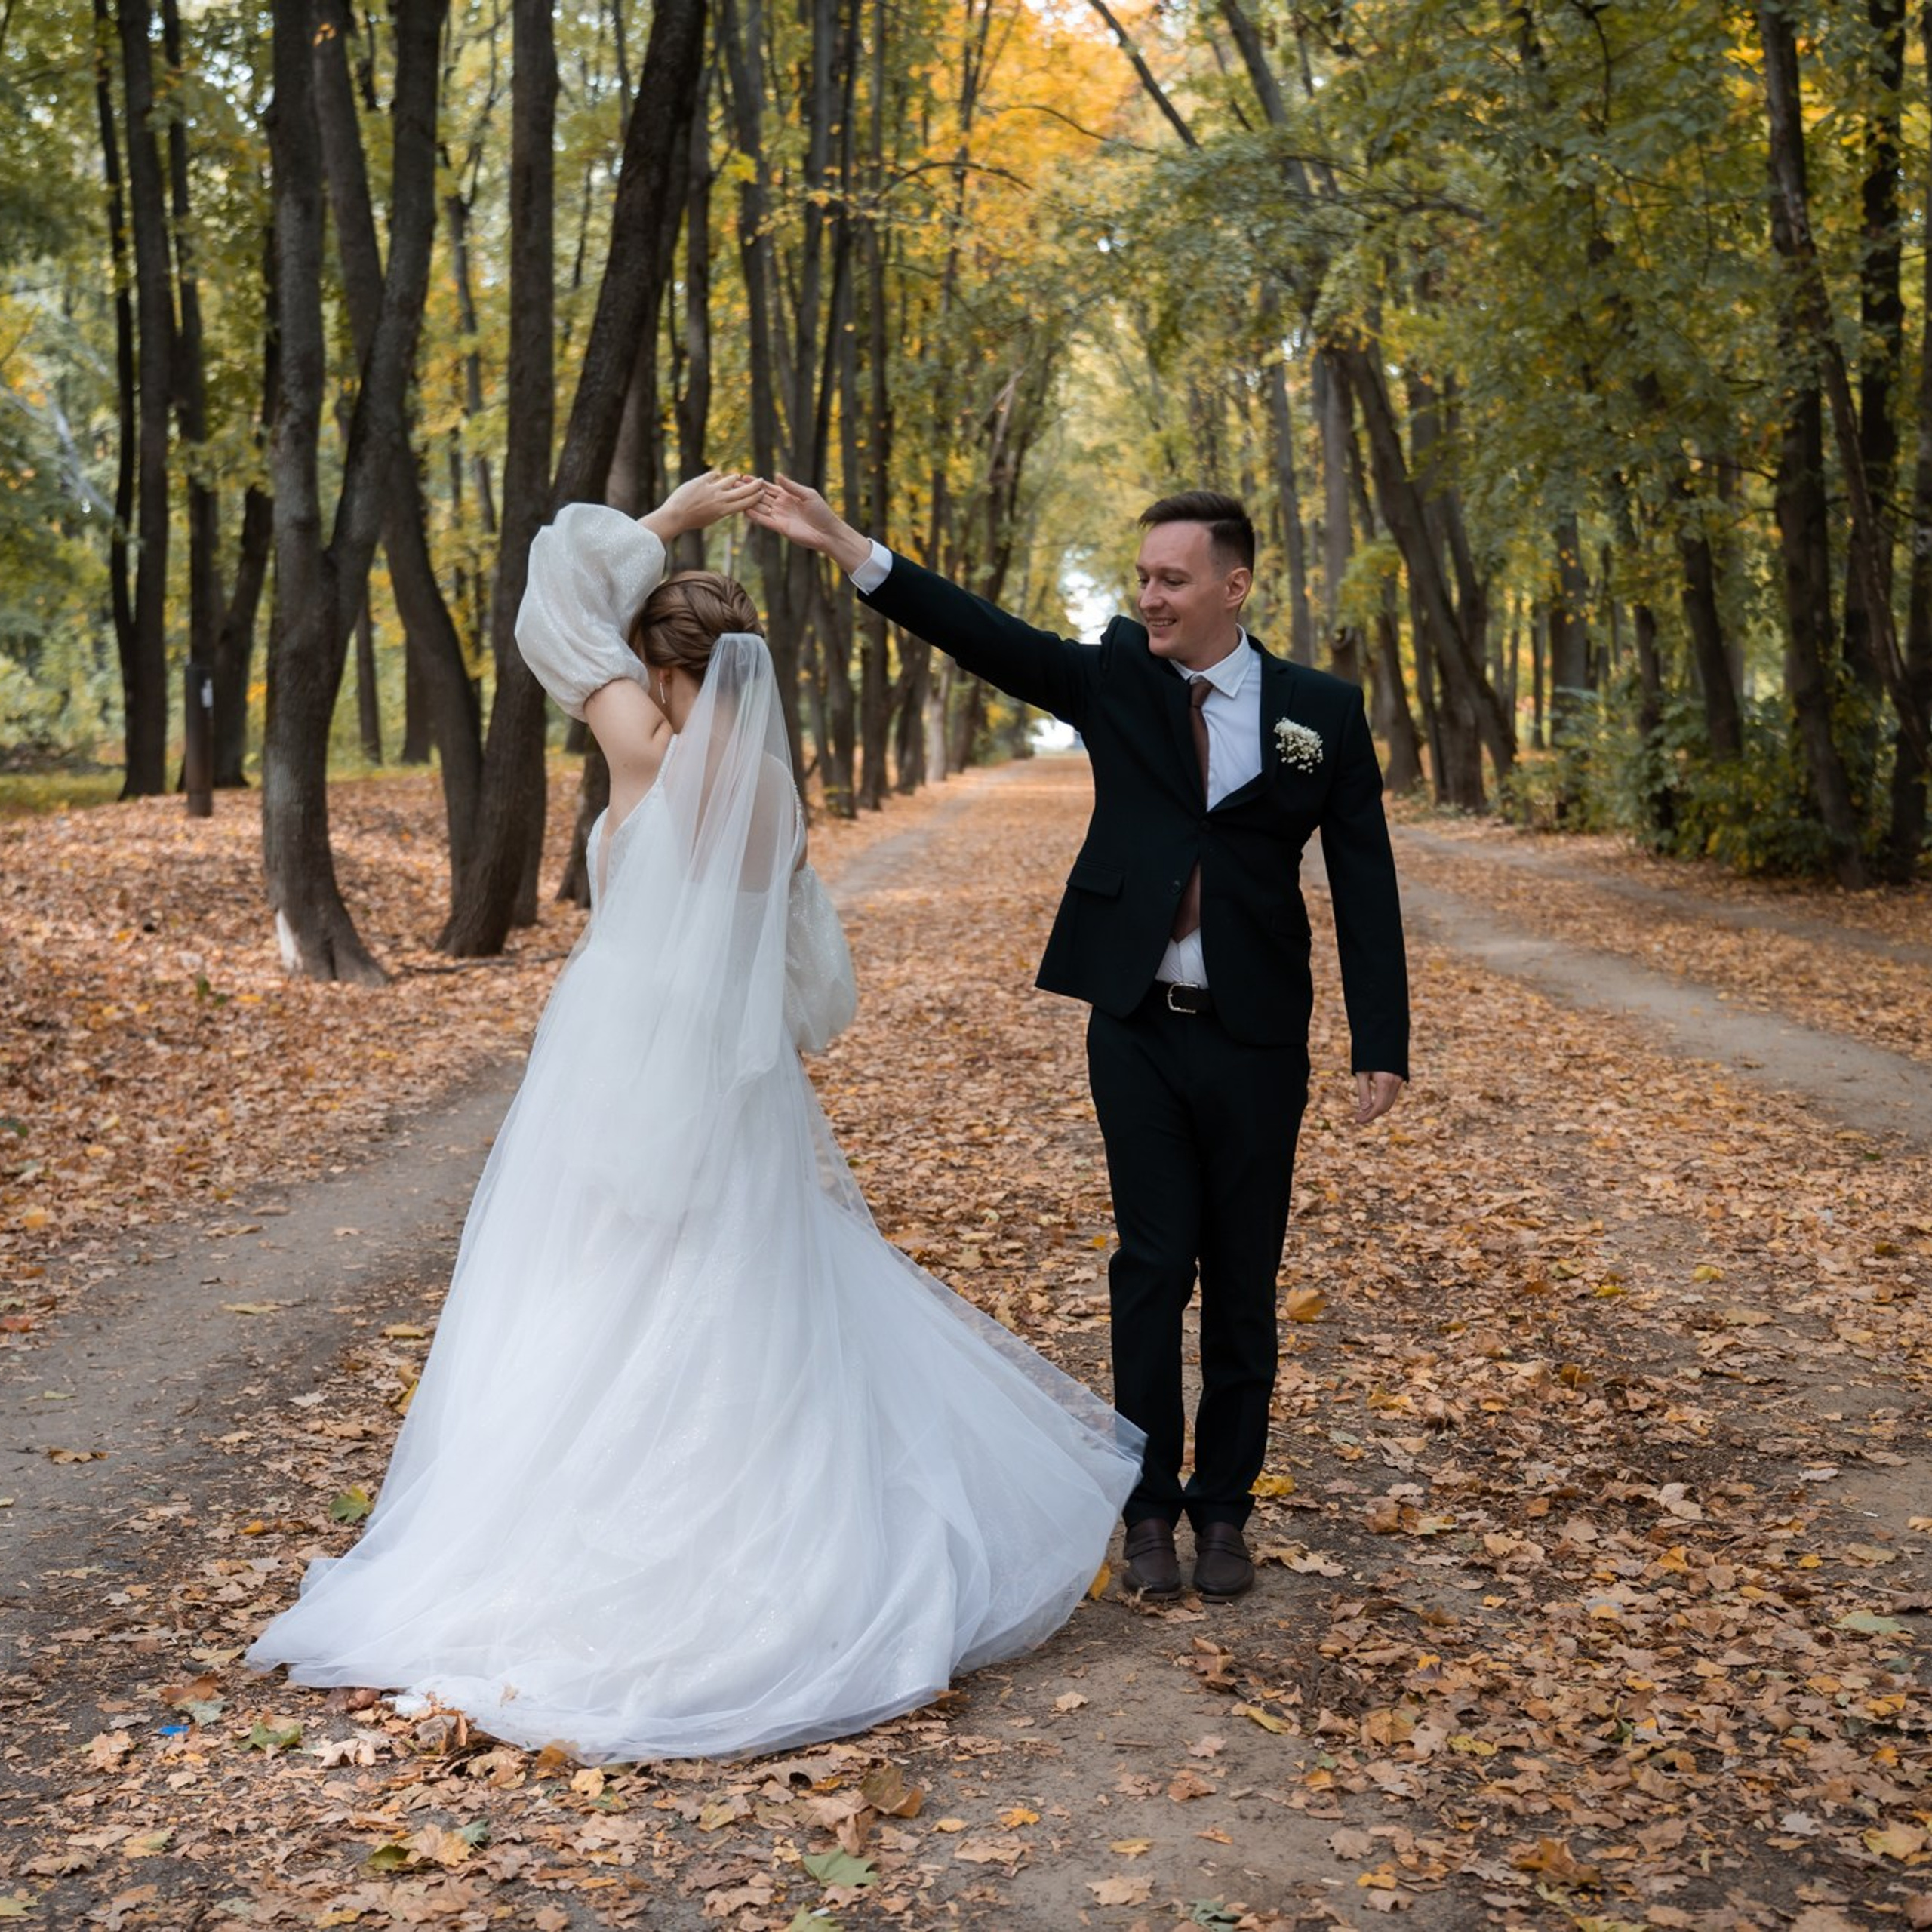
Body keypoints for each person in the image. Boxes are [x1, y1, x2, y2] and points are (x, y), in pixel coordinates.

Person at [247, 472, 1143, 1762]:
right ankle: (764, 1550)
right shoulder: (777, 801)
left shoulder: (643, 751)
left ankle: (579, 1536)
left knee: (598, 1298)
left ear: (660, 669)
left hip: (615, 1064)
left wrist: (663, 520)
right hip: (732, 1083)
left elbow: (551, 599)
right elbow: (811, 993)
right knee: (742, 1297)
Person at [752, 478, 1408, 1603]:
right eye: (1142, 578)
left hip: (1258, 1039)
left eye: (1172, 579)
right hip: (1139, 1026)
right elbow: (983, 635)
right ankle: (1148, 1506)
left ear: (1233, 586)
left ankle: (1226, 1512)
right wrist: (852, 549)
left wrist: (1380, 1042)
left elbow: (1366, 883)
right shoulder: (1115, 677)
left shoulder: (1320, 714)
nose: (1149, 597)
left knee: (1245, 1282)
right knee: (1152, 1268)